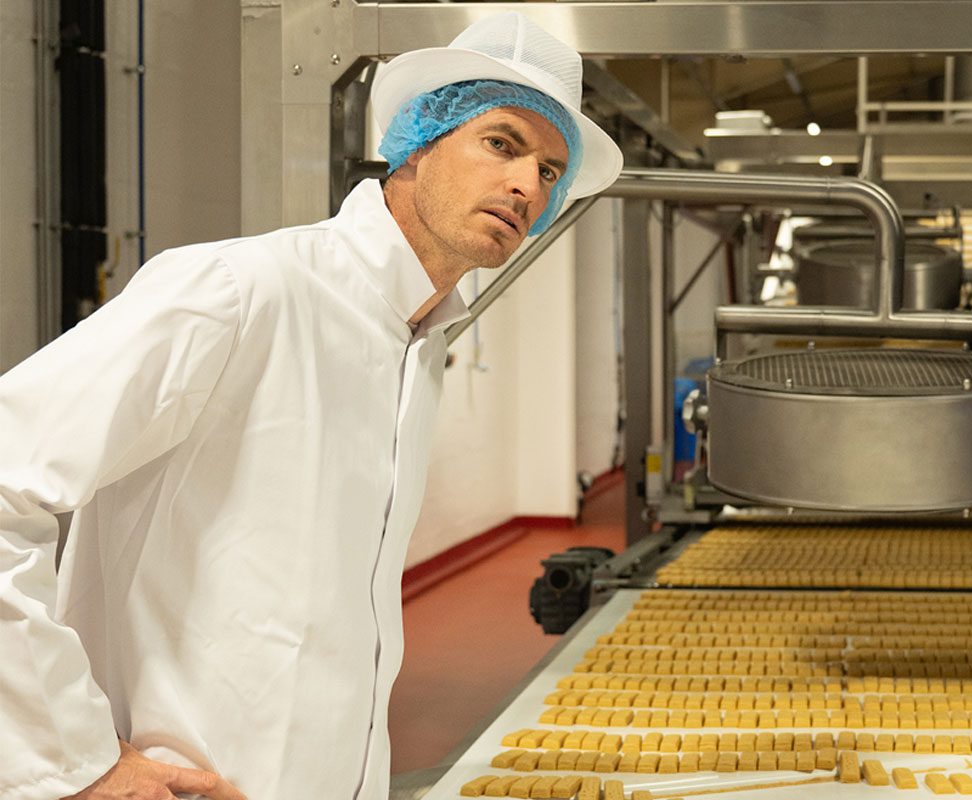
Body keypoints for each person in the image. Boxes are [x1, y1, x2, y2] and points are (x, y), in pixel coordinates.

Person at [0, 12, 622, 800]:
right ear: (419, 142)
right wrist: (77, 761)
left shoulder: (417, 344)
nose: (527, 184)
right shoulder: (238, 292)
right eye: (501, 143)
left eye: (549, 170)